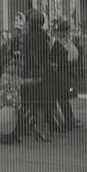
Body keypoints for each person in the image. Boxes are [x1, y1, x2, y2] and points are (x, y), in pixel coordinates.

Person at [20, 10, 52, 142]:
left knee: (29, 102)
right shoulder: (43, 37)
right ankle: (39, 128)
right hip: (41, 73)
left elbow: (25, 56)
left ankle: (21, 125)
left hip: (28, 72)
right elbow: (46, 55)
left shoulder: (26, 37)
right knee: (41, 104)